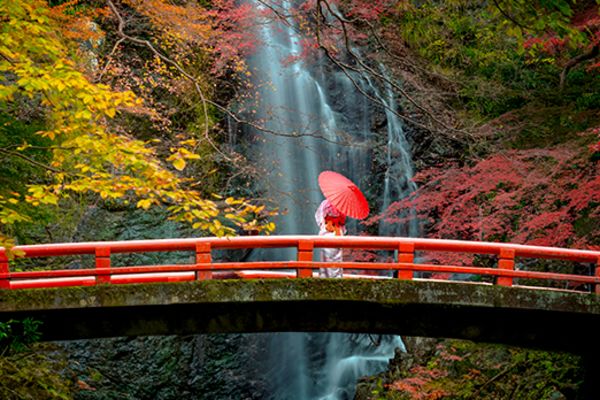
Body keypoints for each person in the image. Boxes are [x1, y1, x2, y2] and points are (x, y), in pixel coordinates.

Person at [315, 199, 346, 278]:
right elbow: (342, 221)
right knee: (336, 259)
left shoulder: (325, 204)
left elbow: (319, 216)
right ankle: (335, 277)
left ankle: (325, 277)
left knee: (327, 258)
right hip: (335, 231)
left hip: (329, 231)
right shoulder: (342, 205)